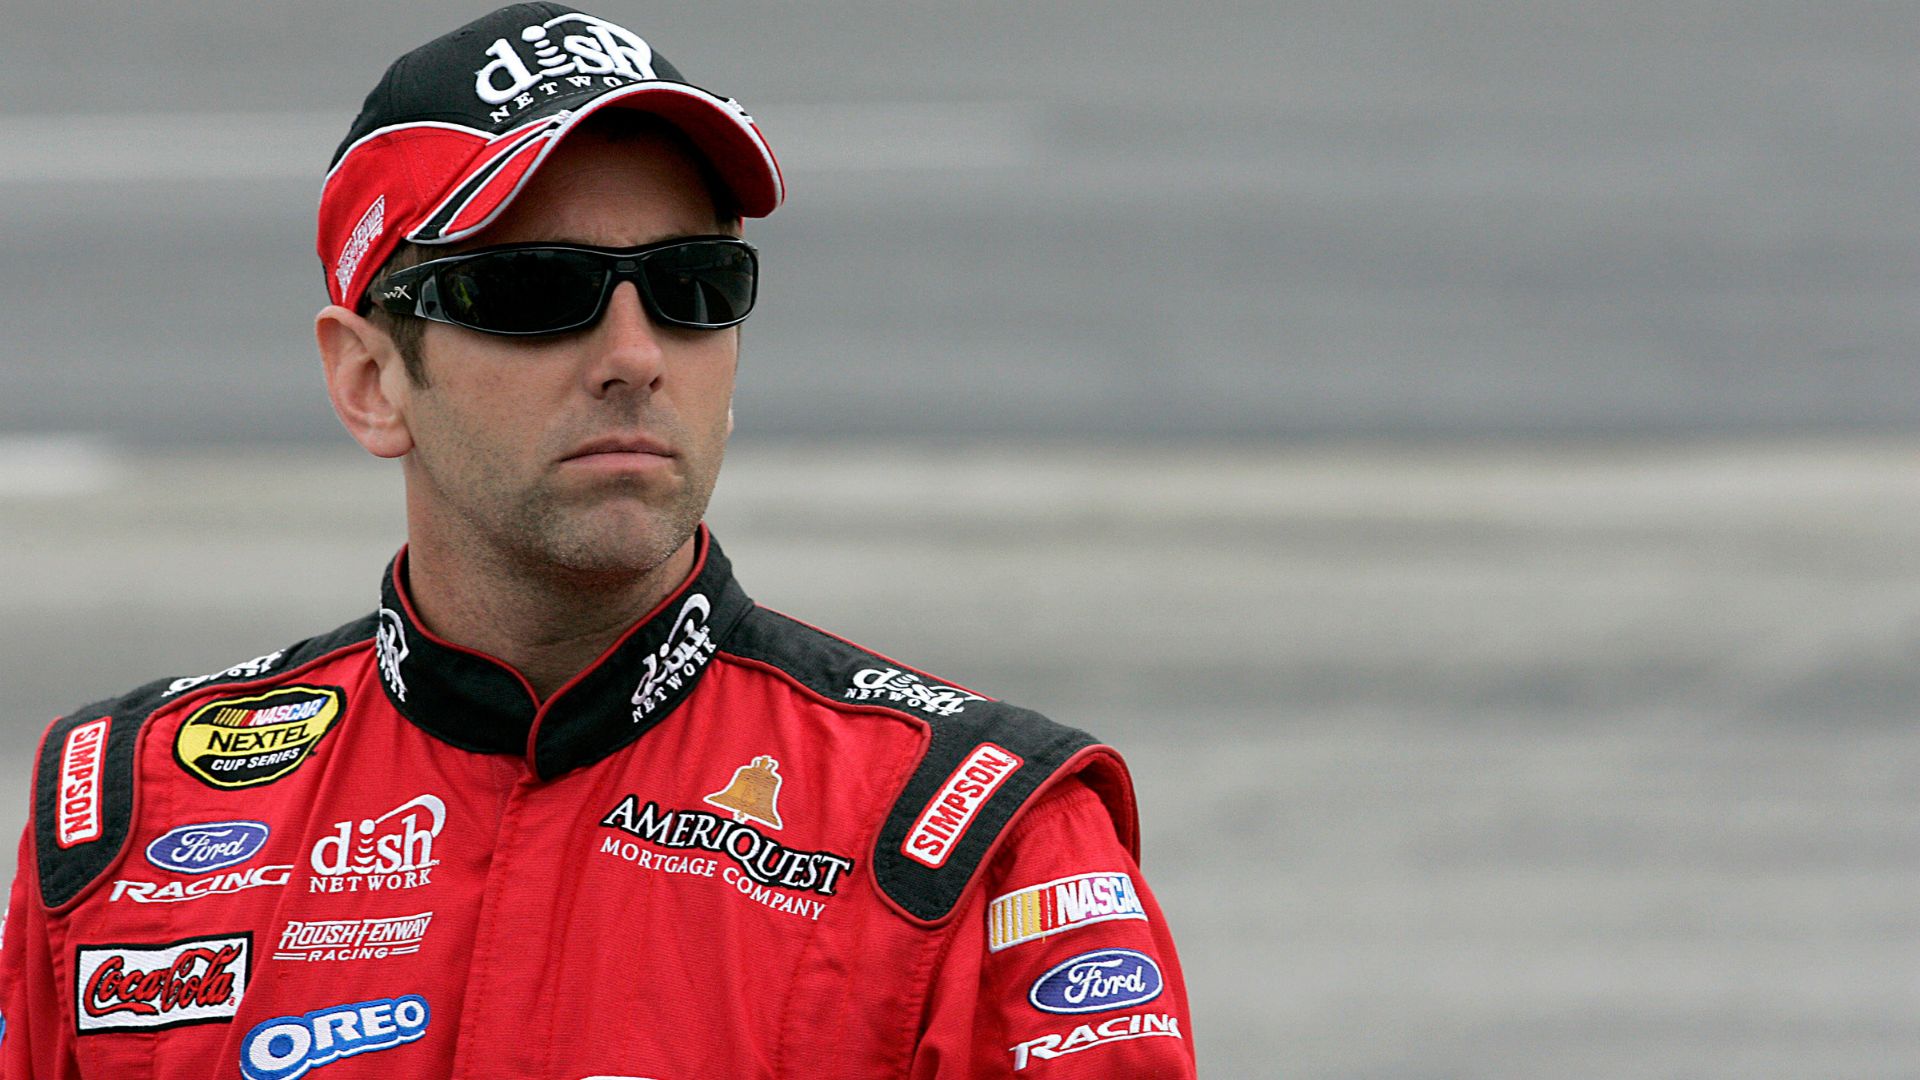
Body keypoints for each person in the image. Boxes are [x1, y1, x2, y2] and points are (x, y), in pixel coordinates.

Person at [0, 5, 1194, 1077]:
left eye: (693, 283)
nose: (634, 355)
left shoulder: (981, 847)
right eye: (535, 290)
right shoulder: (126, 828)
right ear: (371, 381)